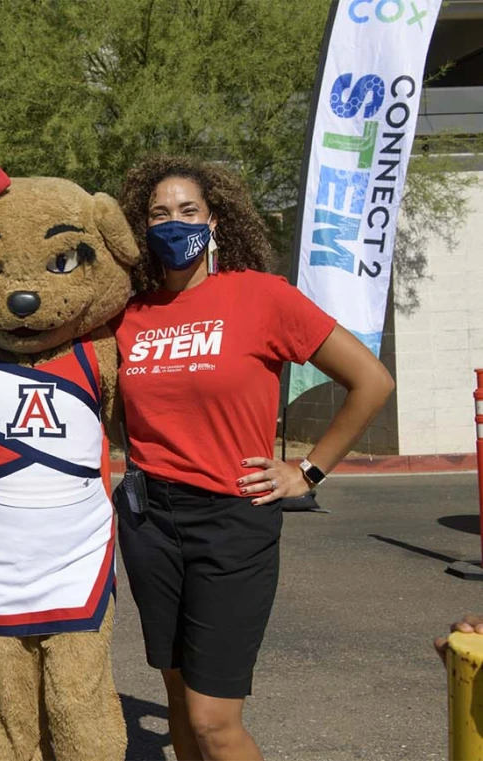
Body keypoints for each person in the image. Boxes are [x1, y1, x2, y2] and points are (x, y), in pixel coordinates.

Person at [112, 156, 395, 761]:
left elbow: (371, 380)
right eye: (159, 213)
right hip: (148, 521)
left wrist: (307, 469)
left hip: (231, 521)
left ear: (214, 222)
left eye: (188, 210)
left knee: (214, 719)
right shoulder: (131, 316)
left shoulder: (263, 298)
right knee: (178, 694)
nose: (173, 222)